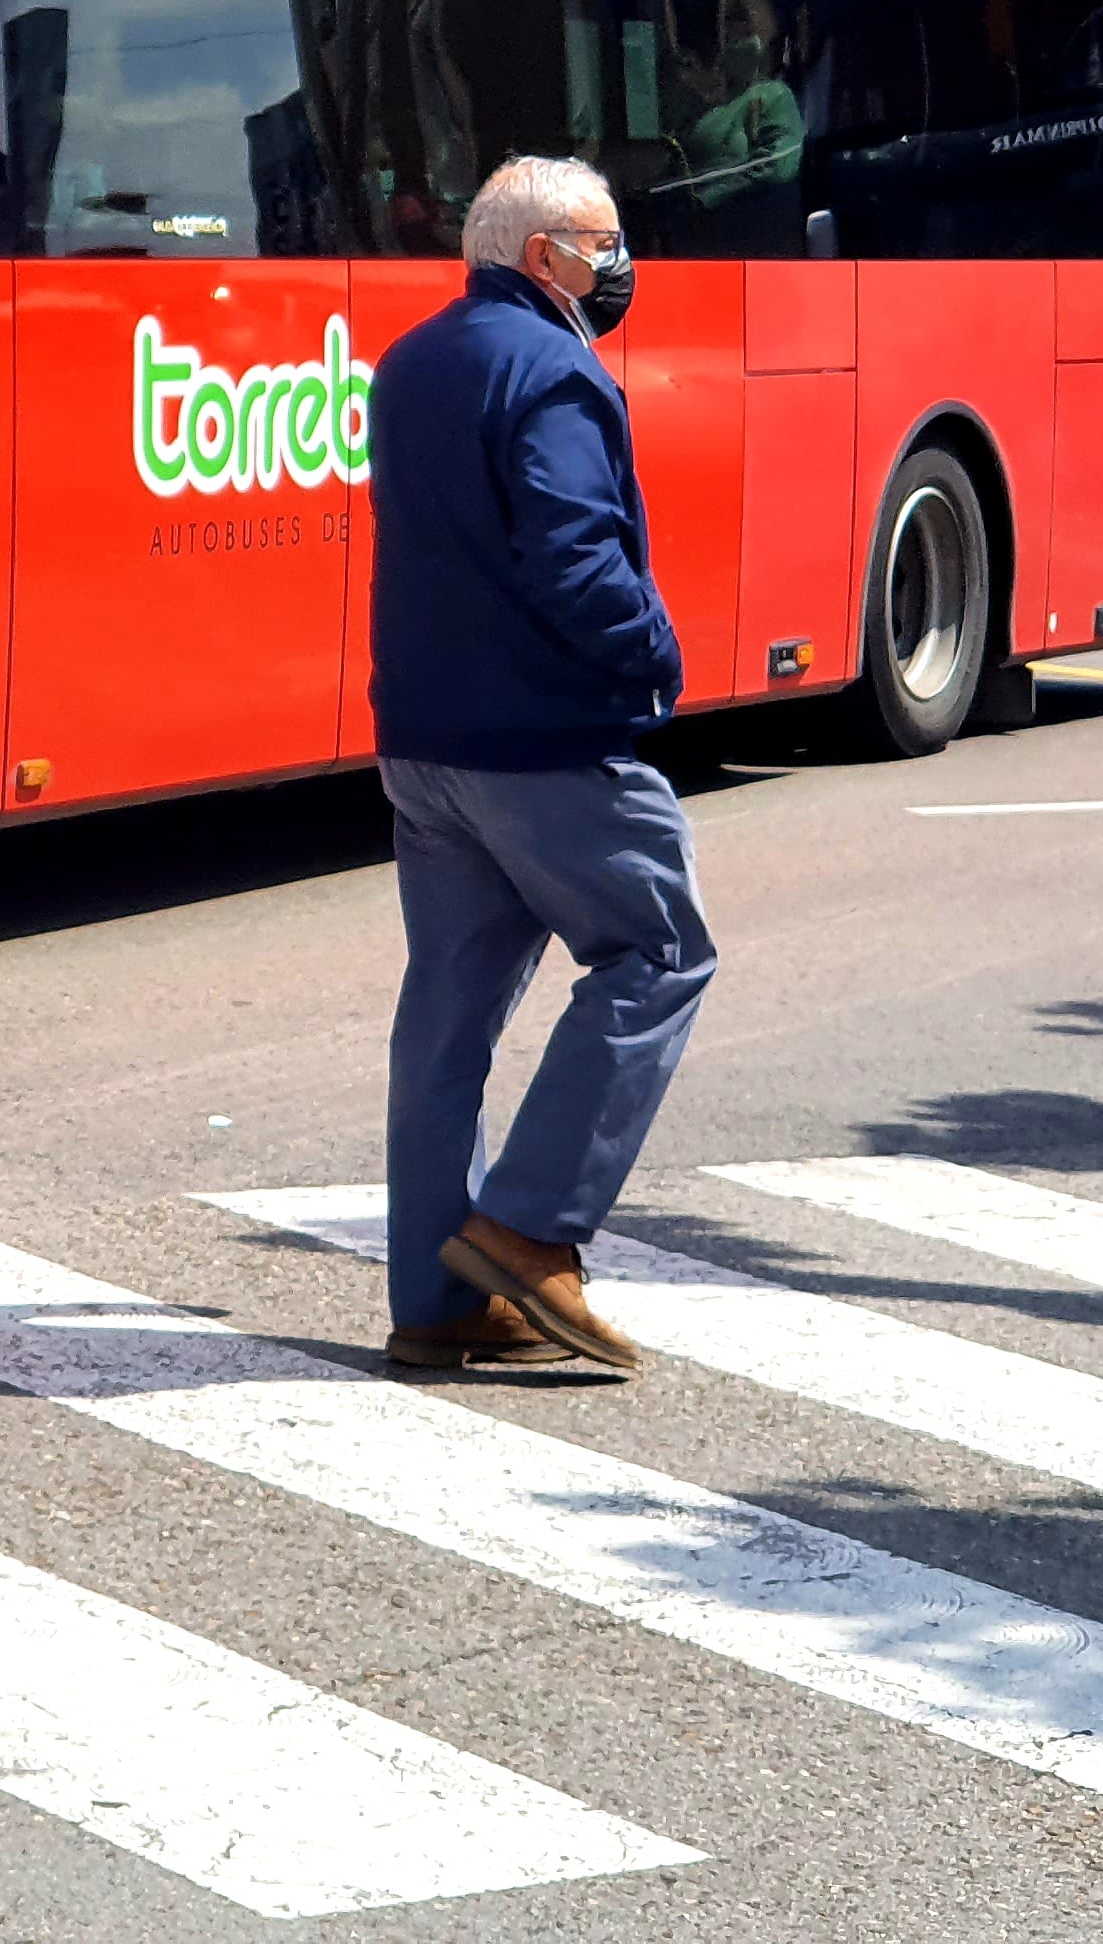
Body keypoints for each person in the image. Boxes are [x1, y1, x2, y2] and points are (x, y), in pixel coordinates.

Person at [363, 153, 714, 1375]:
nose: (619, 265)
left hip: (424, 743)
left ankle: (435, 1298)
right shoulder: (555, 368)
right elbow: (575, 563)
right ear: (541, 255)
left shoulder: (411, 363)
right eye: (603, 243)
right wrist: (659, 651)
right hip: (548, 740)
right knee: (660, 952)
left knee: (447, 1014)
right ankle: (526, 1233)